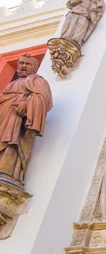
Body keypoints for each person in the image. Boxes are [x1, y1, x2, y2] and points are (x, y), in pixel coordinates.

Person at [0, 54, 53, 185]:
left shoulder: (37, 81)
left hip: (16, 121)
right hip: (3, 117)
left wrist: (27, 104)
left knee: (11, 145)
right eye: (21, 63)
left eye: (27, 64)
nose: (23, 66)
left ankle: (6, 171)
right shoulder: (13, 83)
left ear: (35, 68)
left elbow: (44, 100)